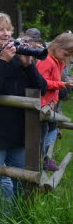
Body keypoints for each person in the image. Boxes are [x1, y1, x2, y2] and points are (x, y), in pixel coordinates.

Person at [0, 13, 47, 213]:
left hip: (18, 134)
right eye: (0, 29)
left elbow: (42, 89)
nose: (6, 33)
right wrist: (3, 61)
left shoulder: (18, 58)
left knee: (22, 183)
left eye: (8, 29)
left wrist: (28, 65)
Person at [35, 32, 73, 171]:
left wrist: (64, 82)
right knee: (42, 132)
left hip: (50, 103)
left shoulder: (58, 61)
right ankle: (39, 160)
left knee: (51, 128)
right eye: (65, 53)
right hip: (42, 103)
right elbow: (41, 82)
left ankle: (45, 158)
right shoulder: (46, 60)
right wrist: (62, 84)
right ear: (56, 46)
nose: (66, 57)